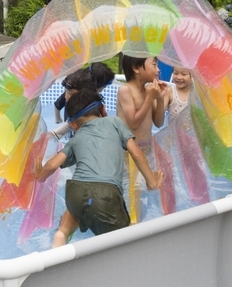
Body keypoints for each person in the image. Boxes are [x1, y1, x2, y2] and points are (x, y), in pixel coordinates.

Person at [36, 89, 163, 248]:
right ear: (104, 110)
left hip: (74, 192)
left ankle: (62, 233)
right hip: (104, 195)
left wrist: (38, 178)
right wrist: (152, 182)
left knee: (80, 209)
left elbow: (51, 165)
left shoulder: (77, 138)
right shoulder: (115, 122)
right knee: (123, 244)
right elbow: (136, 153)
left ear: (74, 125)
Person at [116, 55, 168, 223]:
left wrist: (160, 99)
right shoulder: (125, 90)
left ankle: (143, 223)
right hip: (128, 154)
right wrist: (150, 97)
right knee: (132, 192)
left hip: (146, 150)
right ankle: (132, 226)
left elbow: (158, 122)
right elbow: (133, 122)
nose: (158, 69)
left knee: (149, 190)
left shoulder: (149, 91)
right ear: (137, 68)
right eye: (154, 64)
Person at [52, 68, 98, 139]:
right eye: (66, 92)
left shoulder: (91, 116)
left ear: (86, 95)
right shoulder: (76, 114)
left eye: (71, 94)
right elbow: (58, 133)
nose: (66, 97)